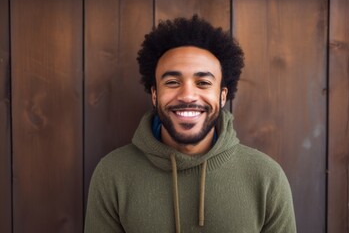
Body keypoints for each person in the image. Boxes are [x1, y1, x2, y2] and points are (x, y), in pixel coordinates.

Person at [84, 15, 296, 233]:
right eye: (173, 82)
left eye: (203, 83)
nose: (187, 95)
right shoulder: (113, 173)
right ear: (155, 95)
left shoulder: (266, 177)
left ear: (223, 96)